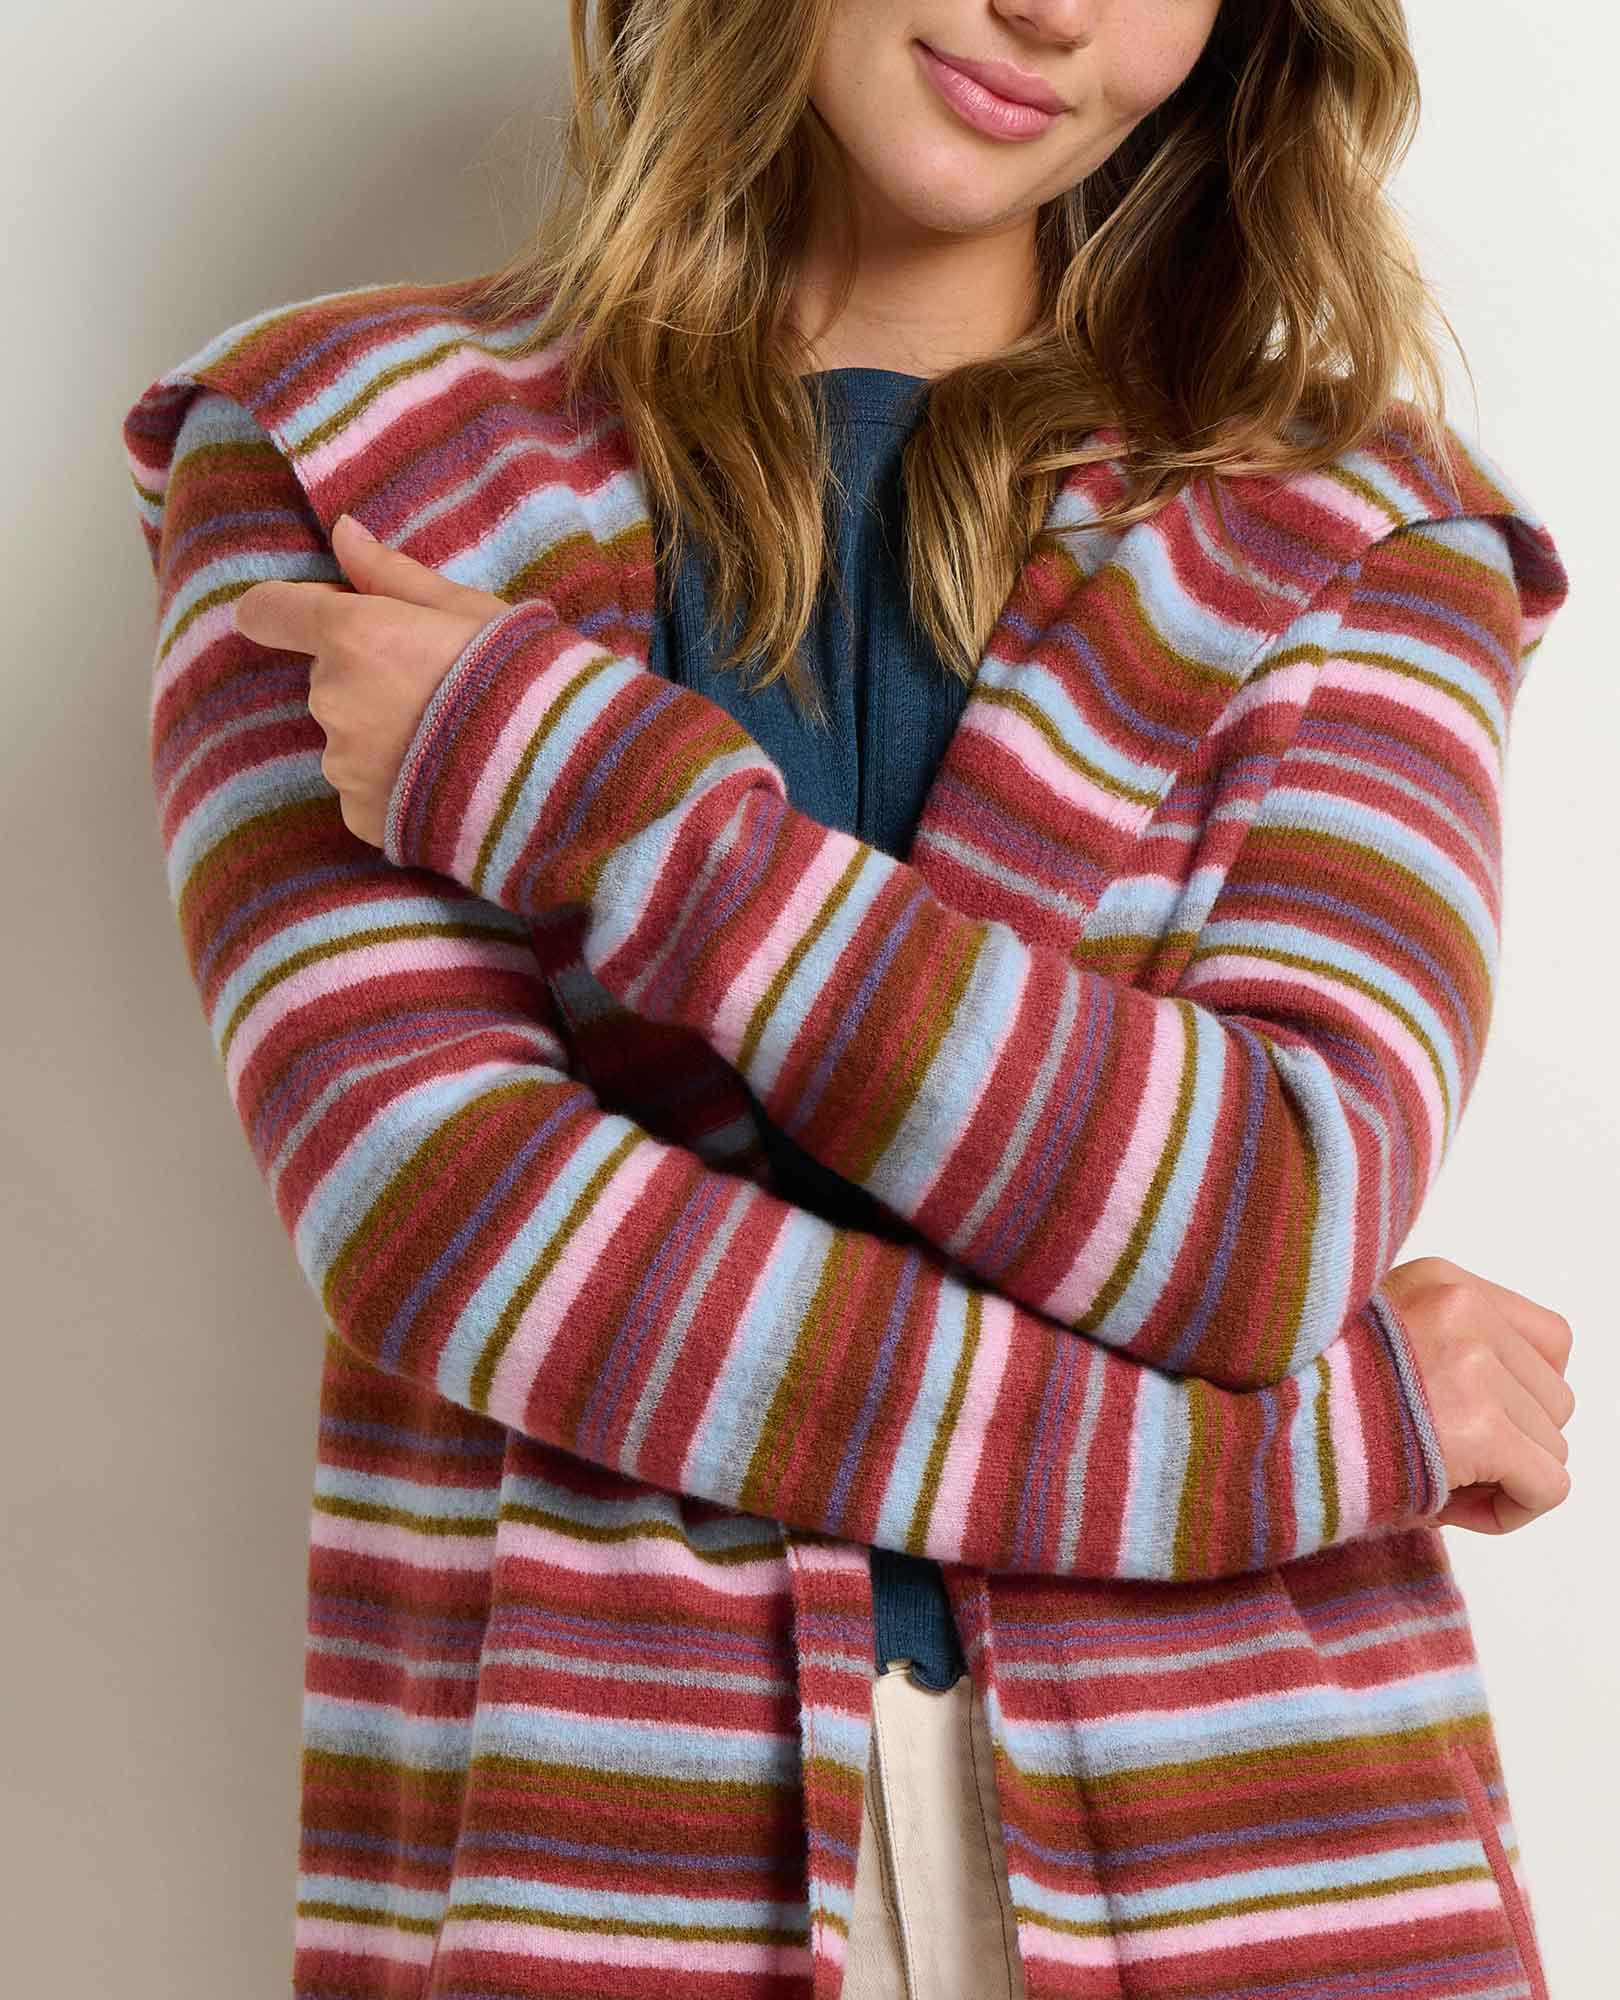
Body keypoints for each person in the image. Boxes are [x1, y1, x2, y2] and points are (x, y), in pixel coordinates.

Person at [121, 2, 1574, 1995]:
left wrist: (594, 793)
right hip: (597, 1860)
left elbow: (1268, 1218)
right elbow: (451, 1225)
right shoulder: (338, 455)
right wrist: (1292, 1458)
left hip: (1276, 1861)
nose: (1053, 10)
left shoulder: (1360, 529)